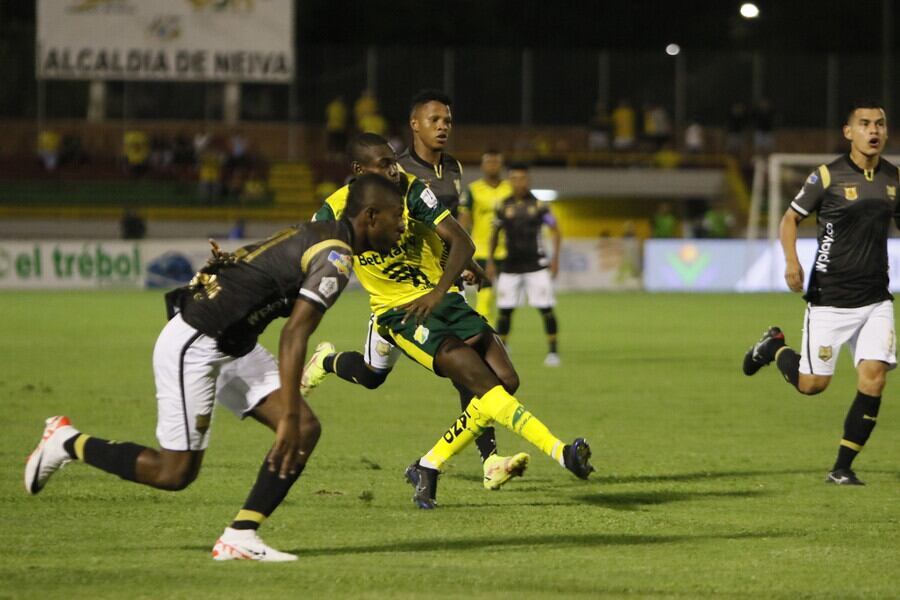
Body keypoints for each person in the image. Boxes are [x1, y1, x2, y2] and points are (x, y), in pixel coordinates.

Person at [24, 174, 407, 561]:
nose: (402, 226)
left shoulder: (321, 232)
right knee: (173, 474)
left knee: (305, 429)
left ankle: (240, 536)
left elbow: (259, 259)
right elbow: (294, 335)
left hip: (233, 343)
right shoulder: (337, 257)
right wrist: (287, 410)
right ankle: (66, 441)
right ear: (371, 216)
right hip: (197, 342)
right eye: (398, 217)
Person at [305, 134, 528, 491]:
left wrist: (463, 266)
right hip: (391, 310)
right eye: (384, 164)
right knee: (372, 376)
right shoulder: (336, 207)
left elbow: (450, 235)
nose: (394, 169)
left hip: (432, 297)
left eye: (394, 161)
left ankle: (489, 460)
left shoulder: (412, 189)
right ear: (360, 171)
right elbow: (308, 245)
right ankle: (326, 362)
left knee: (475, 373)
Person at [742, 100, 899, 486]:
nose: (874, 130)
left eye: (879, 124)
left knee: (874, 377)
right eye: (864, 124)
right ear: (849, 132)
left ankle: (842, 467)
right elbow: (790, 218)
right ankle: (773, 348)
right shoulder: (827, 177)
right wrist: (791, 262)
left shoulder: (893, 179)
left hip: (876, 297)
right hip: (830, 297)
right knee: (813, 385)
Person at [486, 163, 562, 367]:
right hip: (510, 266)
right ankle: (504, 348)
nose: (518, 182)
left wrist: (555, 259)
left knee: (545, 308)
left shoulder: (539, 206)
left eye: (522, 178)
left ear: (528, 180)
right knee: (505, 309)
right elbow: (494, 235)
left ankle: (553, 353)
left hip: (536, 265)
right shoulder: (503, 206)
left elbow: (555, 229)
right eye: (514, 178)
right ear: (509, 180)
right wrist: (491, 261)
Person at [458, 149, 512, 326]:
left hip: (508, 251)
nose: (492, 166)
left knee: (507, 299)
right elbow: (464, 221)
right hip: (481, 249)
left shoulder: (510, 189)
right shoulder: (473, 190)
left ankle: (502, 338)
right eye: (489, 162)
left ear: (501, 165)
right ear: (482, 165)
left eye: (496, 162)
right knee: (485, 296)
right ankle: (484, 333)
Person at [397, 89, 463, 217]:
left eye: (447, 121)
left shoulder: (454, 166)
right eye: (434, 120)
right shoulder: (399, 169)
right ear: (415, 124)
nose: (442, 127)